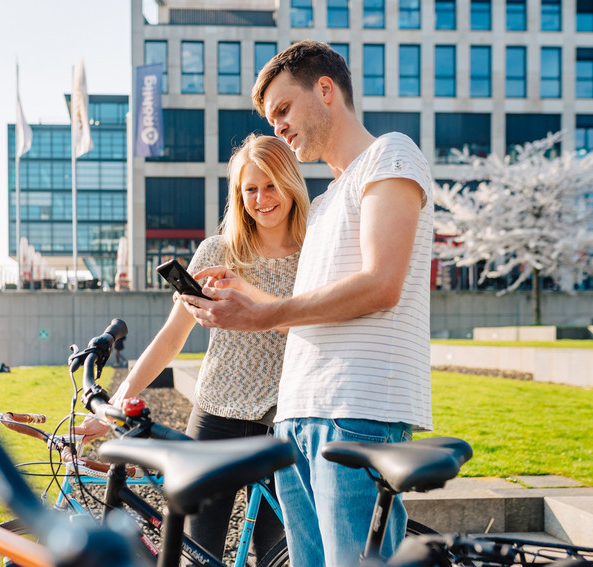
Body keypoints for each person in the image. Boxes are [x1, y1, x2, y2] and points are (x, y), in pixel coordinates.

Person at [180, 41, 434, 566]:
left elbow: (381, 283)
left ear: (325, 90)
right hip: (297, 418)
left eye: (283, 110)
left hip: (355, 413)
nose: (278, 127)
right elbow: (309, 306)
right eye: (272, 118)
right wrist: (243, 293)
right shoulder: (322, 205)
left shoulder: (390, 155)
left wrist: (264, 313)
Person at [73, 133, 311, 561]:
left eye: (271, 184)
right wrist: (115, 406)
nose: (262, 198)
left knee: (278, 553)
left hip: (281, 421)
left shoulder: (314, 255)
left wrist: (249, 293)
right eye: (250, 189)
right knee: (197, 551)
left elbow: (310, 330)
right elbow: (171, 339)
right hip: (215, 416)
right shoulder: (218, 250)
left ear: (291, 183)